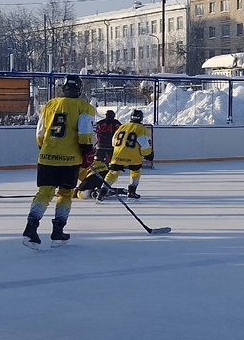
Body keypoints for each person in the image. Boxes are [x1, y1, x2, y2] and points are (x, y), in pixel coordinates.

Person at [23, 74, 95, 248]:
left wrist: (47, 149)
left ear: (63, 88)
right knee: (65, 194)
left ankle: (30, 229)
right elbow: (85, 134)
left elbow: (40, 133)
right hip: (70, 160)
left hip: (47, 157)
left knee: (44, 193)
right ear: (79, 89)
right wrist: (86, 151)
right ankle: (57, 232)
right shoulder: (84, 107)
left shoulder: (49, 105)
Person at [99, 109, 154, 200]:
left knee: (113, 172)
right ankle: (132, 191)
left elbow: (114, 140)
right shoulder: (141, 129)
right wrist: (148, 154)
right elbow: (144, 144)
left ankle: (102, 191)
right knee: (135, 171)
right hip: (133, 155)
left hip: (118, 153)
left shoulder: (123, 126)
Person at [76, 108, 122, 197]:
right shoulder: (116, 123)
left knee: (98, 160)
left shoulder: (100, 122)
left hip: (101, 145)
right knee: (111, 163)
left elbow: (97, 132)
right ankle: (109, 173)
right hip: (111, 145)